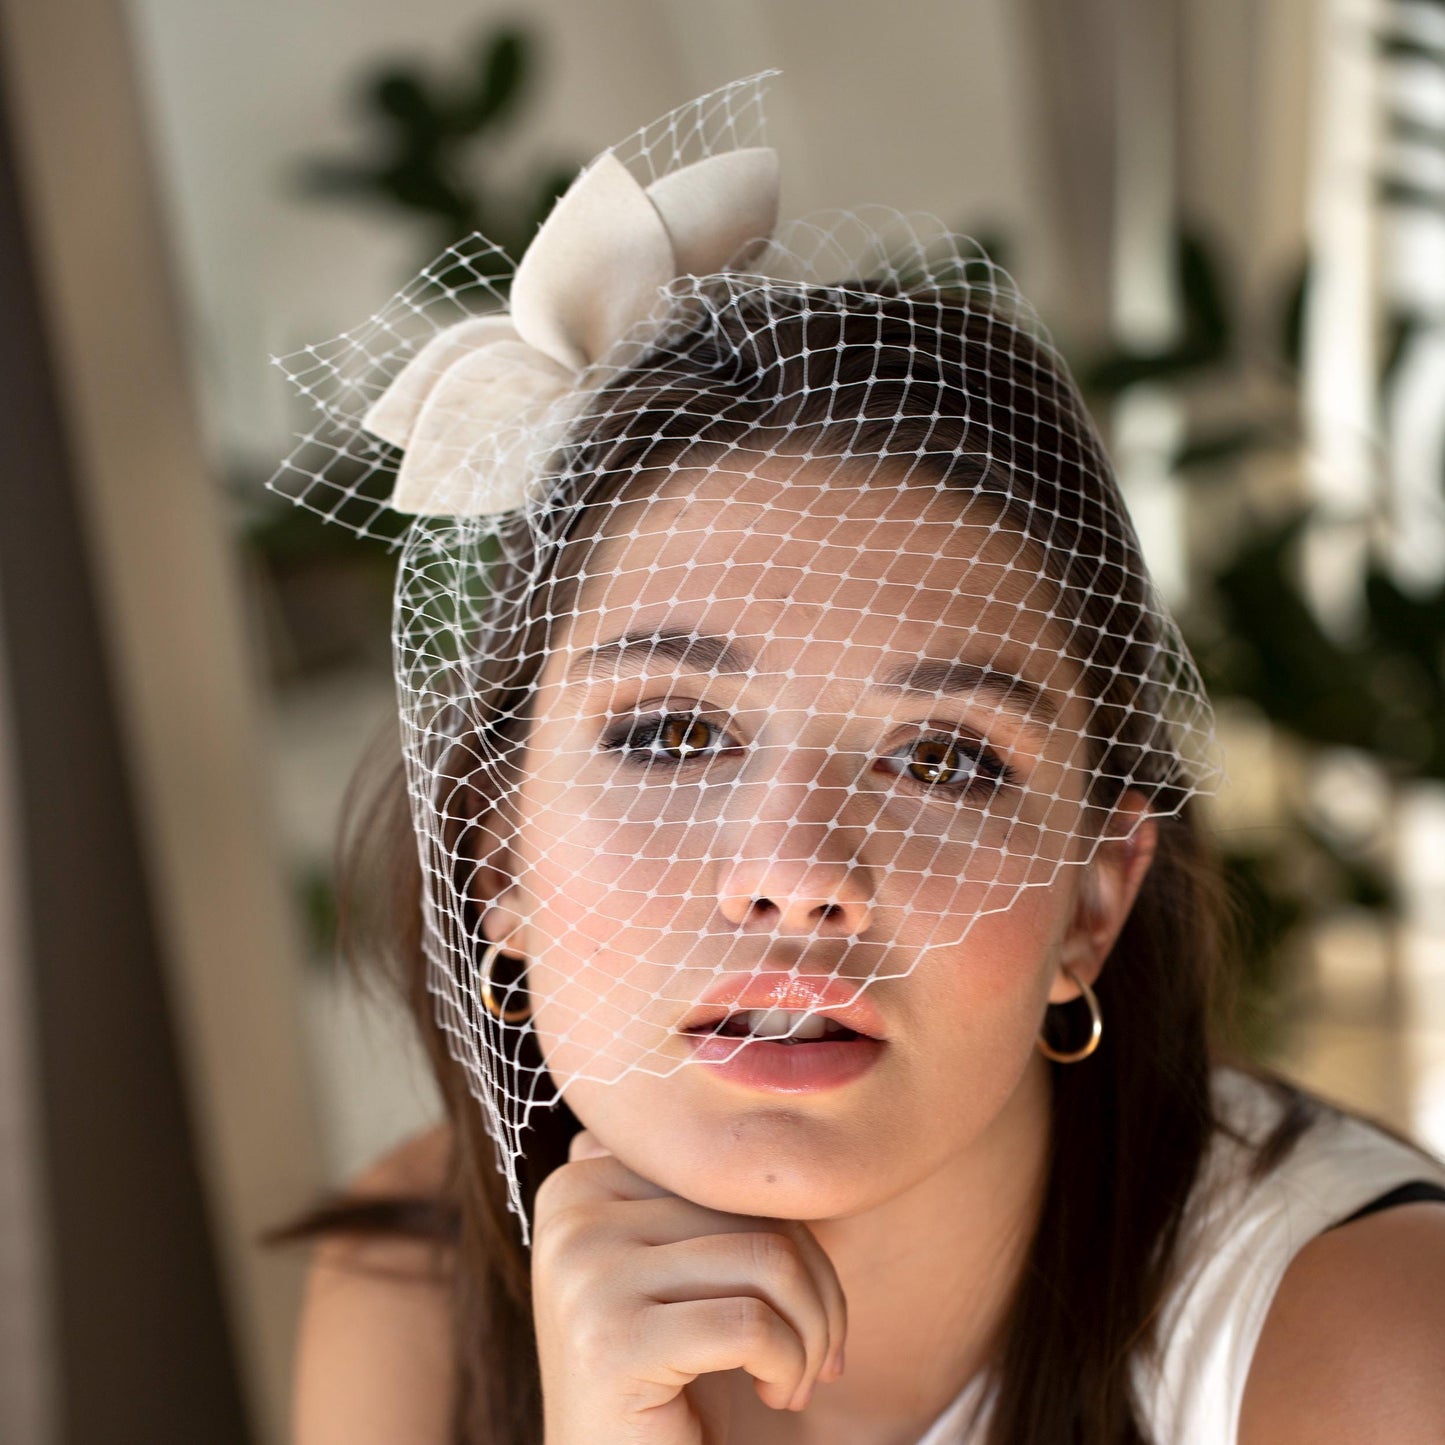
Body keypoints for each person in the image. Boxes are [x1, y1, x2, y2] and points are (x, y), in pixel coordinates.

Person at [268, 77, 1445, 1445]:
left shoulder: (1370, 1348)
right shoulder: (414, 1285)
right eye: (669, 732)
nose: (794, 874)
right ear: (495, 853)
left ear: (1094, 901)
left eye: (942, 758)